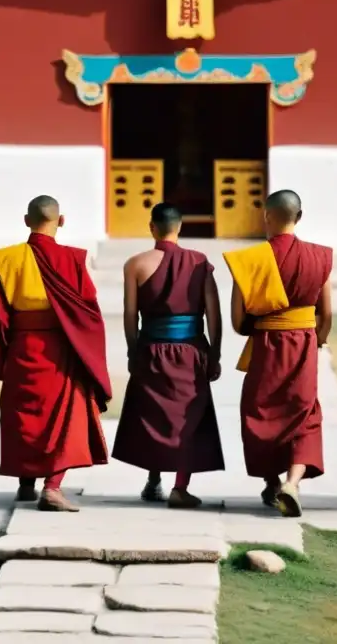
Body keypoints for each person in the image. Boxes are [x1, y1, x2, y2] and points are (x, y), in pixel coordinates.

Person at [0, 195, 110, 512]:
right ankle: (52, 487)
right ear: (61, 221)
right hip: (60, 352)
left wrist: (2, 360)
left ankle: (25, 484)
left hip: (21, 348)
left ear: (27, 221)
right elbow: (89, 314)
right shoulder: (72, 260)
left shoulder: (7, 261)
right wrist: (87, 354)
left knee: (23, 415)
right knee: (64, 416)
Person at [223, 190, 332, 518]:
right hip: (304, 344)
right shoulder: (320, 257)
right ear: (299, 217)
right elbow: (326, 315)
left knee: (259, 412)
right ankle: (292, 483)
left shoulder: (250, 260)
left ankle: (272, 482)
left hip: (267, 346)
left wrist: (263, 325)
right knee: (304, 412)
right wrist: (317, 340)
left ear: (267, 216)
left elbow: (239, 322)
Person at [112, 203, 225, 508]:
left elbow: (129, 314)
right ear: (180, 228)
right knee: (188, 419)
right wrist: (215, 353)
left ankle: (153, 481)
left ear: (152, 227)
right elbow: (213, 315)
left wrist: (132, 351)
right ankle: (180, 486)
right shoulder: (199, 262)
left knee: (155, 417)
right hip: (191, 351)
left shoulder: (135, 264)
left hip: (150, 349)